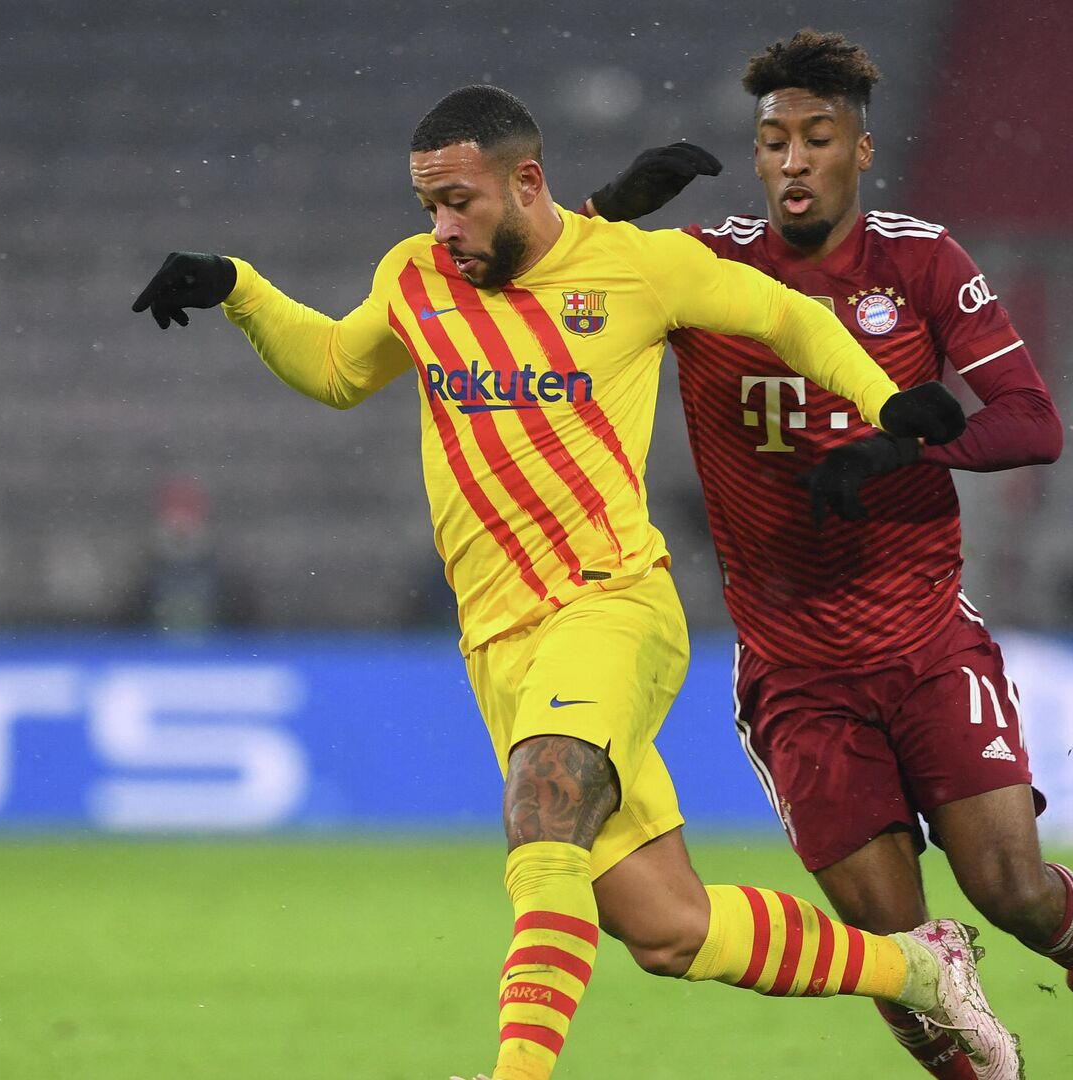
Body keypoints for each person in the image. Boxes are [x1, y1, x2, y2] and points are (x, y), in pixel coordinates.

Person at [131, 85, 1020, 1080]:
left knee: (544, 824)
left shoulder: (635, 270)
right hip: (499, 643)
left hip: (608, 607)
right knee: (668, 930)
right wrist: (240, 290)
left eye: (460, 201)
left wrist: (889, 404)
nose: (443, 226)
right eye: (429, 204)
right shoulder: (418, 278)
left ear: (527, 182)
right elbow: (340, 367)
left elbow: (786, 318)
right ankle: (916, 969)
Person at [657, 30, 1073, 1080]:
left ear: (861, 150)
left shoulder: (921, 261)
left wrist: (905, 443)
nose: (794, 161)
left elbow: (1034, 422)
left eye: (818, 138)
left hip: (925, 642)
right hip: (797, 672)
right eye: (774, 141)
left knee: (1011, 891)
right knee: (904, 960)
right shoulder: (704, 264)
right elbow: (562, 278)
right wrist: (610, 207)